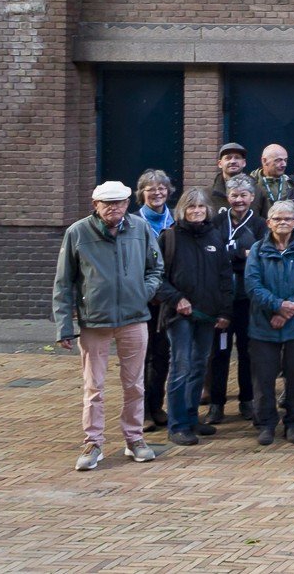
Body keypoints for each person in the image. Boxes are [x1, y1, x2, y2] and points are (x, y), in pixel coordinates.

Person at [54, 180, 164, 471]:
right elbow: (64, 283)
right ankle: (92, 443)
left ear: (128, 204)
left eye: (120, 202)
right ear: (95, 205)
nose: (114, 208)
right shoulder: (77, 233)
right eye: (107, 203)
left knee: (135, 384)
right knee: (94, 386)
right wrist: (64, 325)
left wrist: (144, 292)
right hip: (94, 322)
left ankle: (135, 439)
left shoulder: (140, 228)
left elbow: (156, 267)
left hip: (134, 318)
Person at [154, 188, 231, 446]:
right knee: (181, 367)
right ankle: (177, 425)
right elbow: (156, 278)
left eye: (201, 207)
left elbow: (224, 276)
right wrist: (177, 299)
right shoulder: (170, 237)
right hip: (179, 316)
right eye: (191, 207)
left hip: (208, 316)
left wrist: (224, 311)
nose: (197, 211)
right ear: (182, 210)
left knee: (199, 366)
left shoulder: (215, 236)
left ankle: (191, 417)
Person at [245, 200, 294, 446]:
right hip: (263, 325)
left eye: (288, 219)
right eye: (277, 219)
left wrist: (287, 310)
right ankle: (265, 424)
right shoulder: (257, 249)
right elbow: (252, 285)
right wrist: (276, 306)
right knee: (263, 379)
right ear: (268, 223)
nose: (283, 222)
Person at [206, 176, 263, 426]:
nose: (239, 200)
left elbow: (258, 256)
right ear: (227, 197)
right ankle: (216, 404)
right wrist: (241, 254)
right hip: (221, 300)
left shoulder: (261, 225)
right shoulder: (217, 222)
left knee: (248, 353)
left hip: (248, 300)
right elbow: (212, 255)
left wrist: (230, 255)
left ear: (252, 198)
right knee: (218, 352)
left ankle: (247, 401)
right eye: (234, 195)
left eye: (244, 195)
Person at [130, 170, 176, 428]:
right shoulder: (133, 222)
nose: (157, 192)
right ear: (141, 194)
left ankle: (157, 406)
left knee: (162, 355)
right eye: (150, 188)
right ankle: (143, 411)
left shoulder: (176, 220)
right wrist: (151, 292)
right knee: (141, 357)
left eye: (161, 188)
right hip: (143, 300)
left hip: (168, 300)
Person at [208, 142, 249, 208]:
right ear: (220, 164)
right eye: (228, 158)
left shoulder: (257, 192)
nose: (233, 161)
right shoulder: (207, 194)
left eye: (237, 157)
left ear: (244, 163)